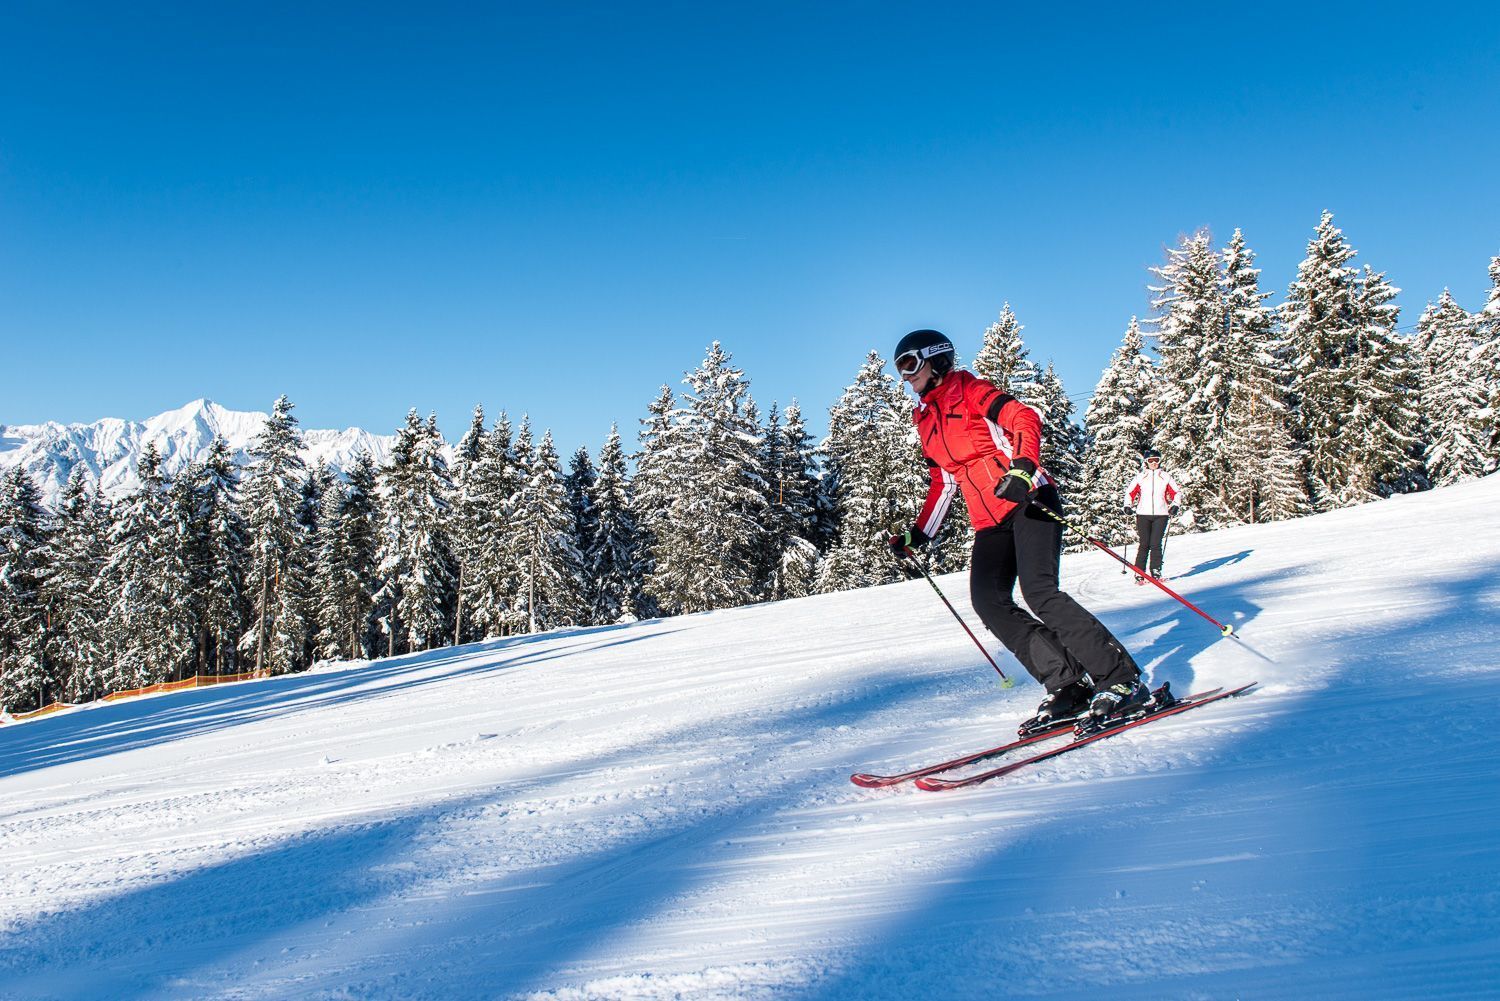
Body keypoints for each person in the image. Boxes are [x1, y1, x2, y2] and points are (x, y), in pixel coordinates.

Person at [885, 329, 1147, 732]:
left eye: (909, 364)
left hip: (1028, 500)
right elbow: (944, 482)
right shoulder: (924, 420)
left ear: (935, 361)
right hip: (988, 519)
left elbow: (1023, 417)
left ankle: (1121, 679)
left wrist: (1023, 469)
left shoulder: (971, 390)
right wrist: (919, 534)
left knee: (1040, 592)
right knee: (988, 600)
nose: (904, 376)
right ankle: (1067, 683)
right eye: (898, 368)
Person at [1122, 450, 1181, 583]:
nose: (1154, 463)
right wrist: (1127, 505)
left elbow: (1176, 493)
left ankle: (1156, 572)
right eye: (1151, 460)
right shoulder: (1140, 477)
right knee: (1144, 544)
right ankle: (1139, 573)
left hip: (1161, 514)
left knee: (1155, 544)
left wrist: (1175, 505)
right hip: (1143, 514)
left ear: (1160, 461)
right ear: (1146, 462)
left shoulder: (1166, 477)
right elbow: (1129, 493)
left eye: (1156, 460)